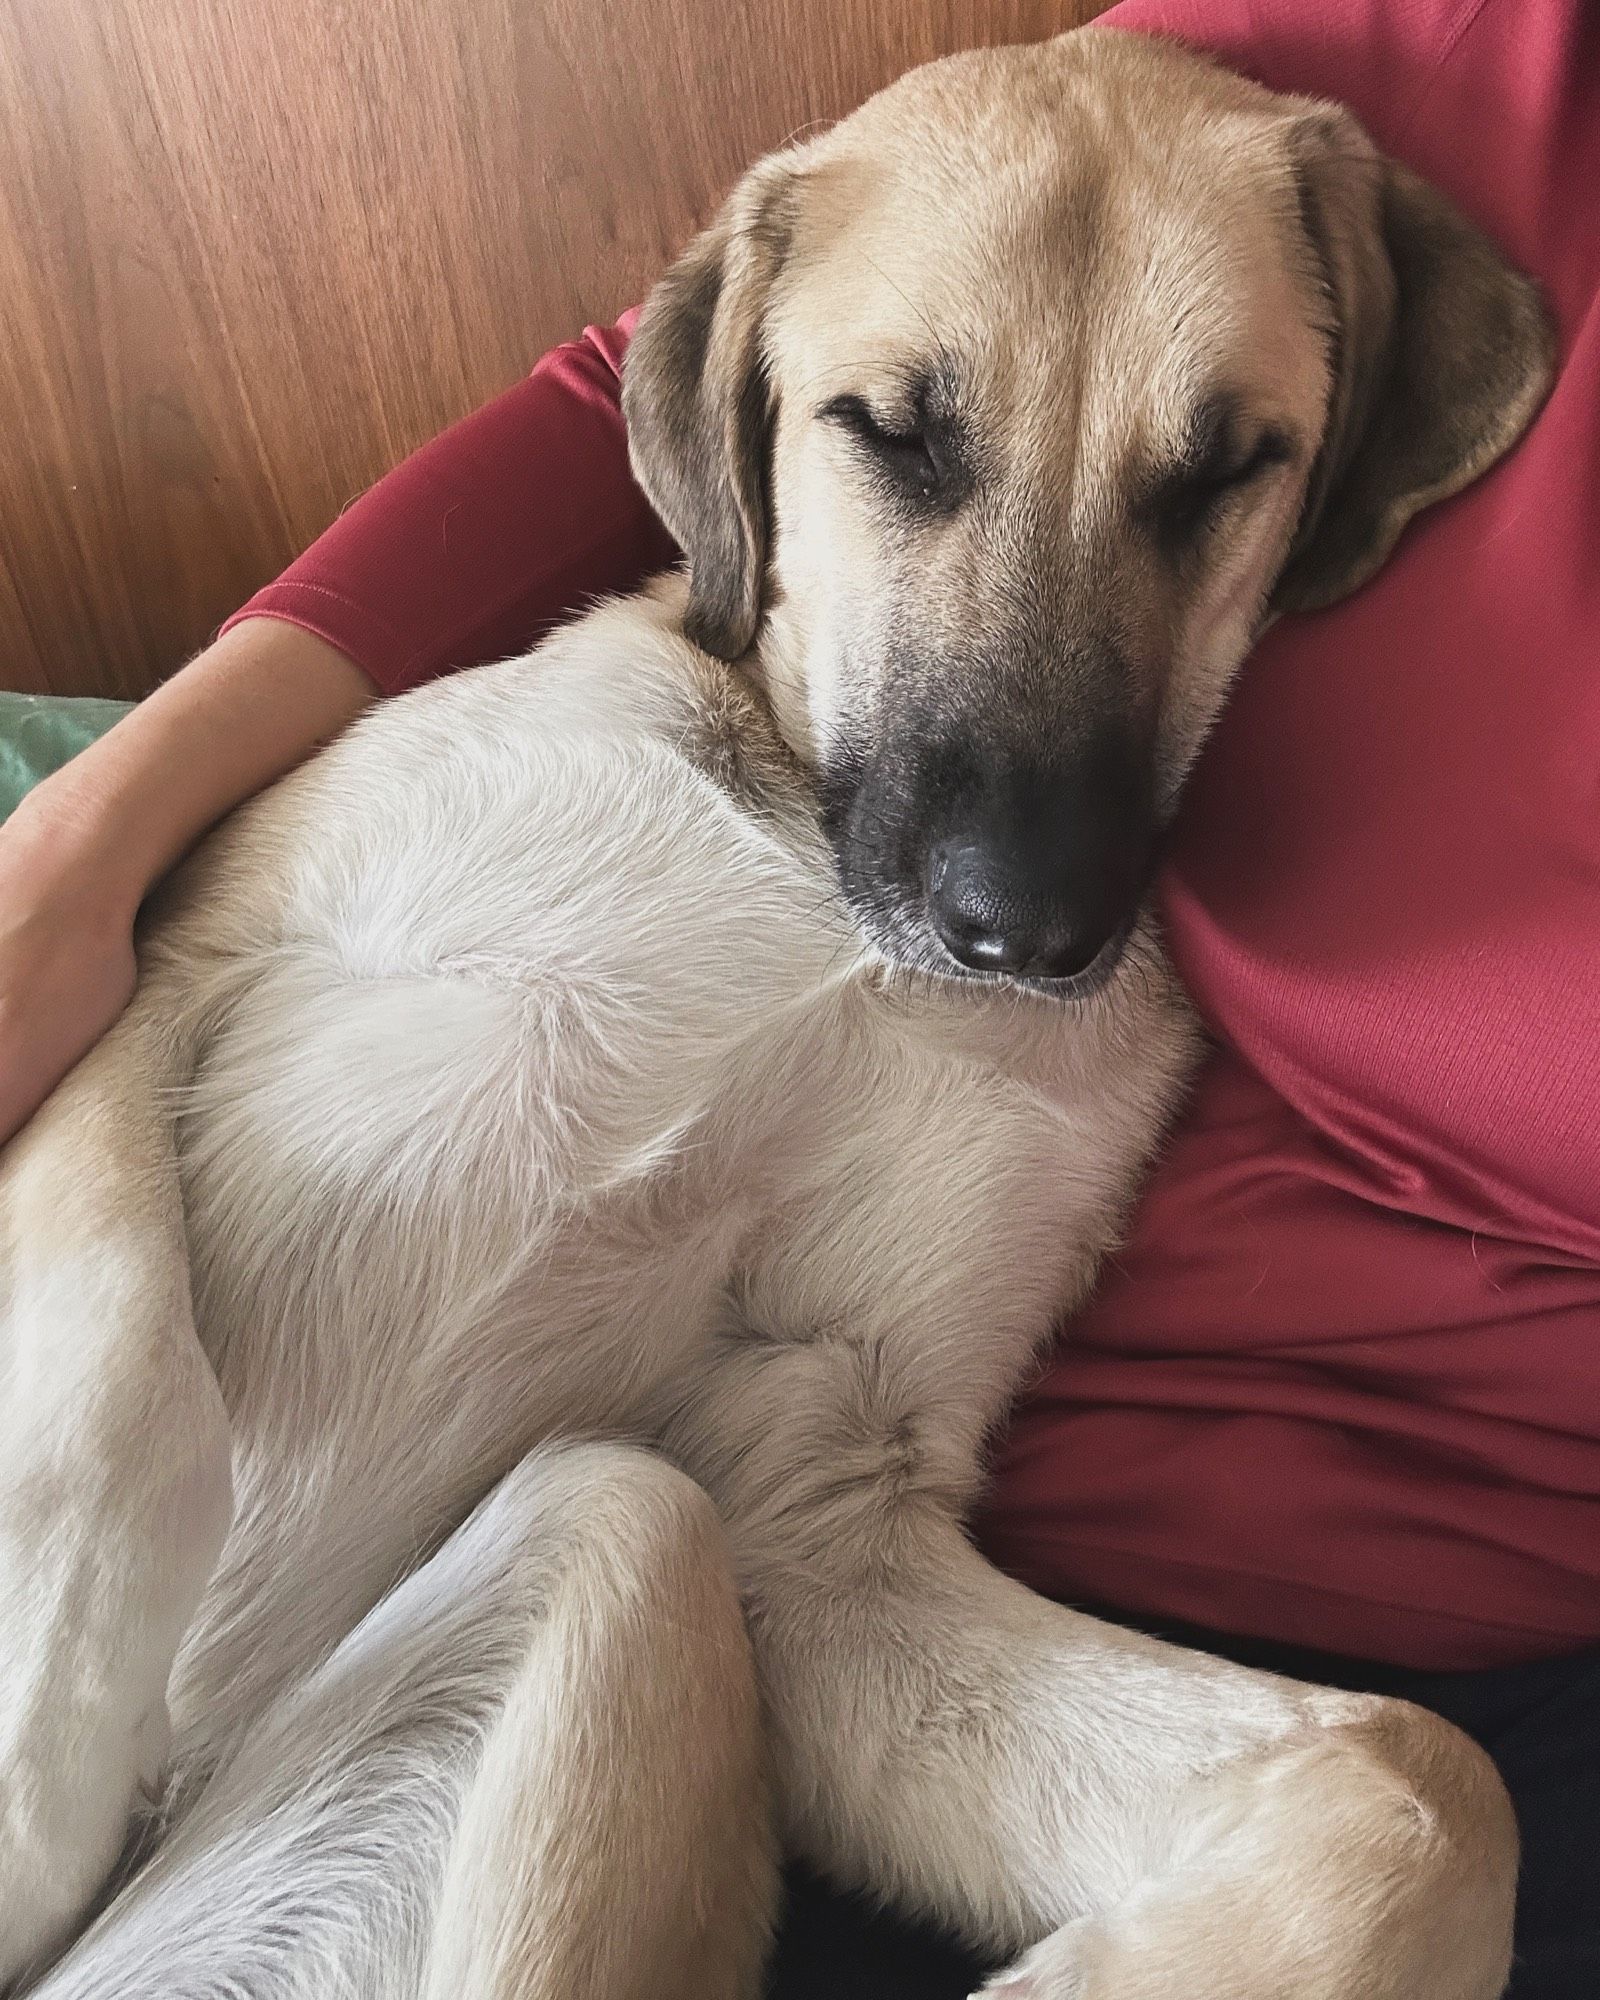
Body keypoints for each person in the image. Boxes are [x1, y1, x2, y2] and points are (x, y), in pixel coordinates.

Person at [2, 0, 1595, 1991]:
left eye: (1194, 492)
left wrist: (1342, 1835)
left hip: (315, 1832)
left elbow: (804, 1567)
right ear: (742, 433)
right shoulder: (522, 749)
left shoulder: (1093, 1053)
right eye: (899, 445)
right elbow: (117, 1004)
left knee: (658, 1547)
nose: (1023, 867)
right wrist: (80, 1444)